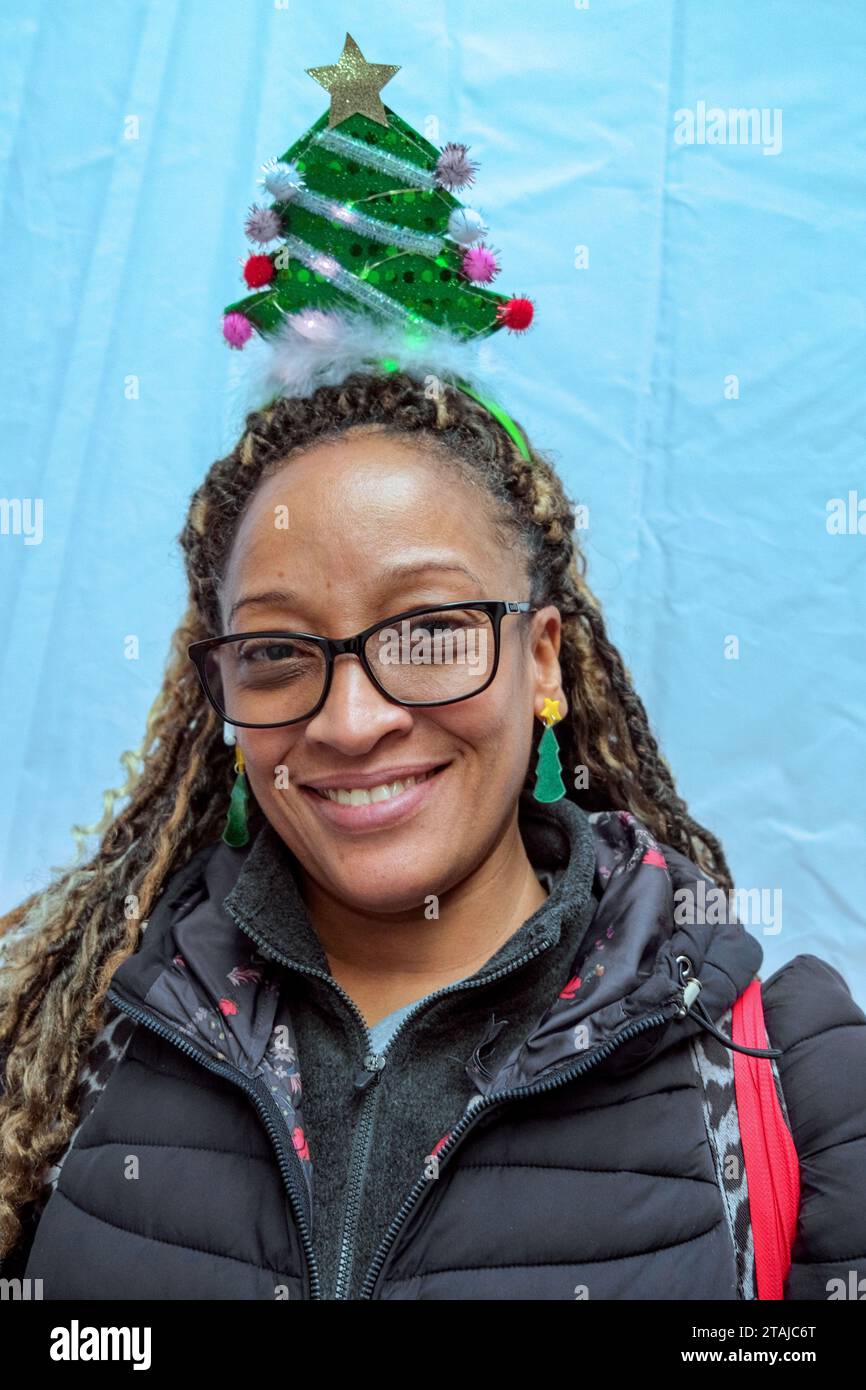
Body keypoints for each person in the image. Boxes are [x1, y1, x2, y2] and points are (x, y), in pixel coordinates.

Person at [2, 33, 865, 1301]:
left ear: (545, 656)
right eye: (281, 652)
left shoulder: (788, 1076)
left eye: (427, 631)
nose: (350, 719)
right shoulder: (69, 1049)